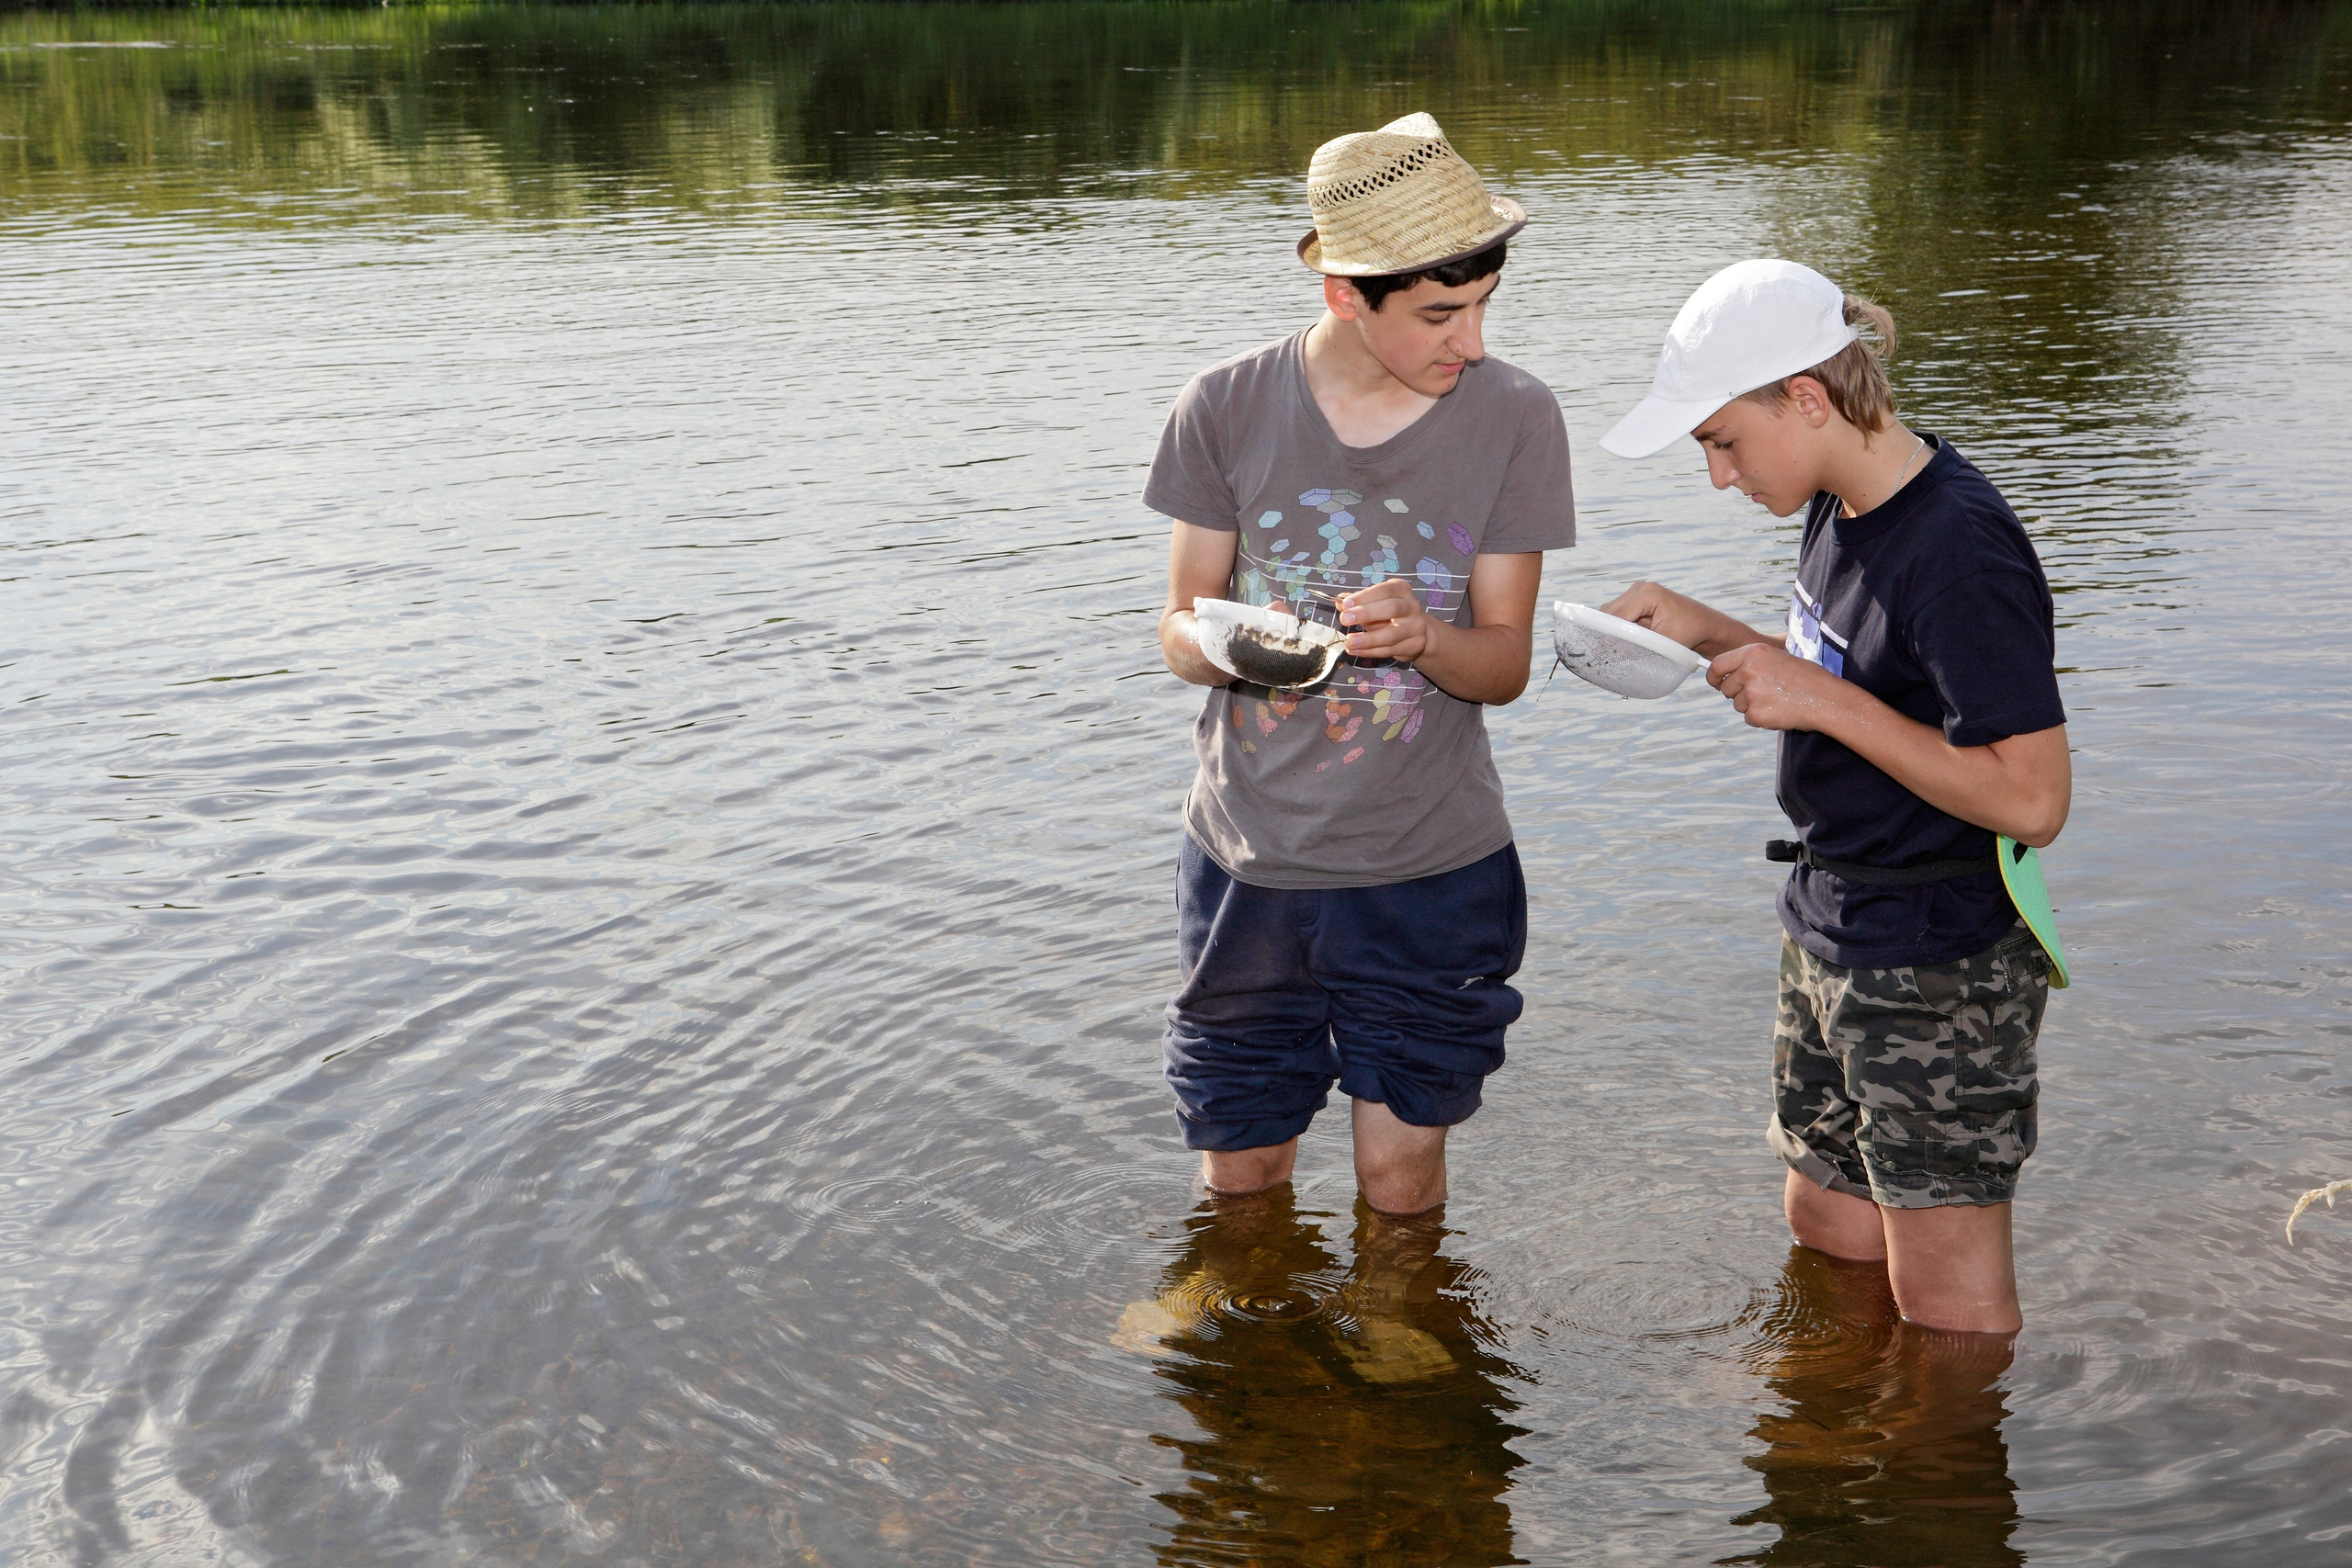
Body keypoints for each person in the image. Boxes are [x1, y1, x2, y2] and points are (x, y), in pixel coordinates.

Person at [1596, 259, 2069, 1334]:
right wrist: (1709, 627)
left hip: (1937, 954)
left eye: (1721, 440)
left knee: (1946, 1302)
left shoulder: (1957, 547)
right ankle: (1834, 1454)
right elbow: (1858, 681)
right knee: (1826, 1222)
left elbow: (2034, 801)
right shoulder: (1846, 506)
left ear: (1805, 399)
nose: (1717, 474)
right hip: (1833, 924)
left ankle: (1933, 1490)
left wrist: (1818, 701)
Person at [1144, 112, 1577, 1214]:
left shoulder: (1519, 418)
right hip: (1250, 863)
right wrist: (1244, 647)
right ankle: (1248, 1351)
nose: (1469, 343)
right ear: (1345, 294)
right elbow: (1177, 628)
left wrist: (1428, 640)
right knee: (1240, 1170)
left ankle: (1400, 1344)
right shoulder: (1224, 405)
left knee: (1399, 1178)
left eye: (1482, 307)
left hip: (1430, 869)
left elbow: (1505, 664)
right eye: (1440, 313)